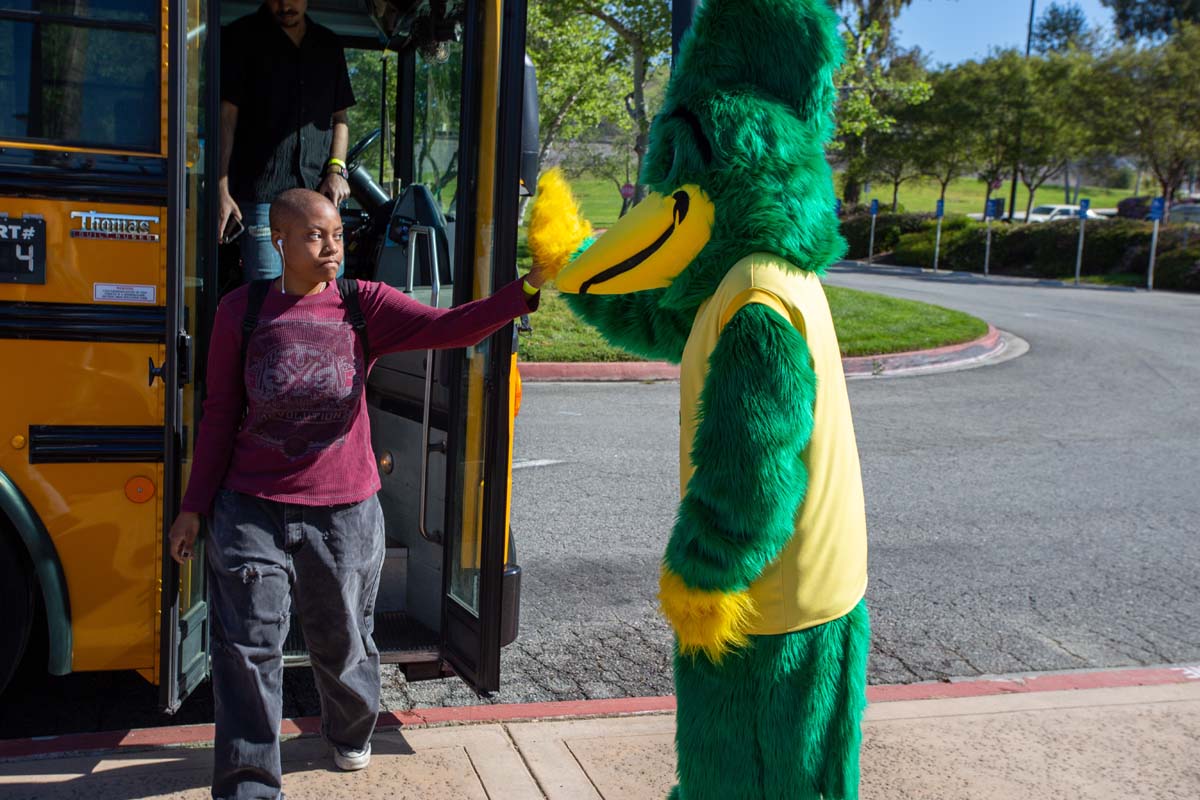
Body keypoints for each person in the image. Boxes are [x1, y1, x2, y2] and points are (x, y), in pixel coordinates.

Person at [168, 189, 546, 800]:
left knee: (344, 642)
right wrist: (194, 507)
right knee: (247, 651)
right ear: (279, 241)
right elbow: (219, 414)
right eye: (315, 236)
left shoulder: (362, 303)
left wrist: (524, 290)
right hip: (251, 505)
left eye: (338, 235)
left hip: (343, 510)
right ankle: (249, 786)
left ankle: (349, 729)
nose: (331, 247)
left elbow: (451, 328)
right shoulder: (242, 310)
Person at [218, 0, 356, 280]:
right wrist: (221, 189)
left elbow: (339, 119)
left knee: (328, 291)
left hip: (319, 196)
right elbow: (226, 119)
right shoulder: (240, 37)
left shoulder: (328, 45)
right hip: (261, 199)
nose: (285, 5)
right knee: (270, 291)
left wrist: (336, 170)